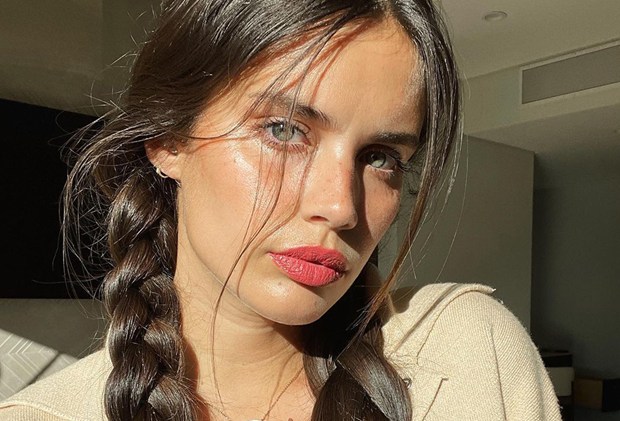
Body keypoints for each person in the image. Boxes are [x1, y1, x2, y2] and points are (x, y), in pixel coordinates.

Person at [0, 0, 561, 420]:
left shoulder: (469, 357)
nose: (340, 207)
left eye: (381, 157)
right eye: (285, 130)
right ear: (169, 139)